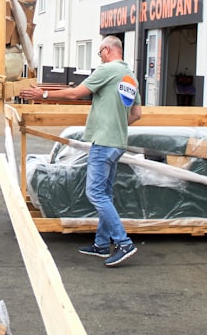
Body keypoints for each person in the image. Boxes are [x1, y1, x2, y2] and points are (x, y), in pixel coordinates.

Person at [21, 35, 142, 267]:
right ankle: (101, 244)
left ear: (107, 50)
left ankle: (124, 242)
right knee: (104, 193)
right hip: (117, 143)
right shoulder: (130, 76)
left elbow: (76, 93)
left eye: (99, 53)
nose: (100, 57)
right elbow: (136, 114)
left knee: (95, 194)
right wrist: (115, 123)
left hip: (104, 143)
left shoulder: (108, 70)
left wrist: (42, 95)